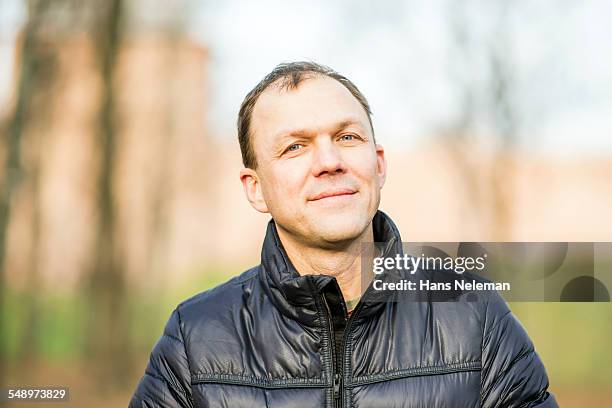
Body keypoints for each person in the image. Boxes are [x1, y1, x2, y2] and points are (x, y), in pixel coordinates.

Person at [129, 61, 557, 407]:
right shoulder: (196, 338)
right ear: (255, 189)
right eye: (295, 146)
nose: (330, 160)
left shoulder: (474, 316)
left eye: (347, 136)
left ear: (379, 163)